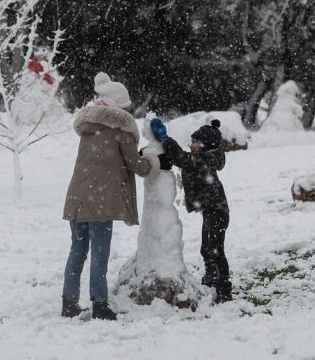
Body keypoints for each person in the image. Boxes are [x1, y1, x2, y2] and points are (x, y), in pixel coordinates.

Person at [61, 72, 172, 320]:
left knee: (77, 250)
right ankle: (99, 304)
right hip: (101, 201)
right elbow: (137, 166)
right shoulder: (120, 126)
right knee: (100, 252)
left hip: (77, 198)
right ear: (120, 104)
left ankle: (68, 302)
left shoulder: (89, 125)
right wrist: (156, 160)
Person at [150, 118, 233, 303]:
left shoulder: (205, 159)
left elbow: (182, 158)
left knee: (216, 250)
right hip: (211, 211)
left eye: (195, 142)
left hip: (217, 212)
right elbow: (183, 158)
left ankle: (224, 287)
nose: (191, 144)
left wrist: (165, 139)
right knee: (207, 248)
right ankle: (211, 277)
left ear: (205, 145)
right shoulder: (203, 157)